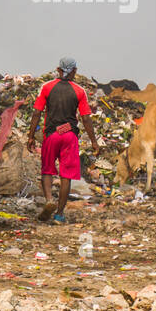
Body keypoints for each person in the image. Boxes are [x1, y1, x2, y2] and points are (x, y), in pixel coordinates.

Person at [27, 57, 100, 223]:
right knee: (65, 176)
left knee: (47, 170)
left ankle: (49, 200)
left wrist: (31, 136)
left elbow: (37, 113)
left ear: (58, 70)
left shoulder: (46, 87)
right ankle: (59, 214)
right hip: (69, 136)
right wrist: (94, 141)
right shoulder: (79, 91)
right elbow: (86, 118)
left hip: (51, 135)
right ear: (74, 71)